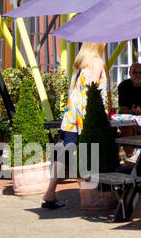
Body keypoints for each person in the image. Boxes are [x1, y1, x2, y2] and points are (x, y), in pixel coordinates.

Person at [42, 42, 107, 209]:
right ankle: (90, 196)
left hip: (72, 115)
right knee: (89, 152)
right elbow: (93, 88)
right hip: (86, 115)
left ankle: (50, 191)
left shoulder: (80, 64)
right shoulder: (97, 61)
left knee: (66, 150)